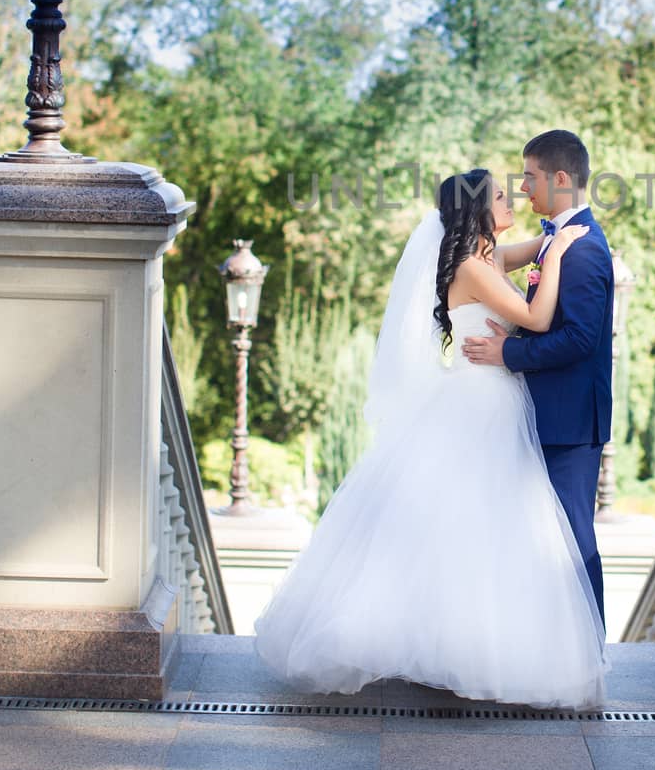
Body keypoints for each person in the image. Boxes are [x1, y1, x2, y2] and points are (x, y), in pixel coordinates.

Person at [254, 167, 607, 709]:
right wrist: (557, 256)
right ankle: (453, 649)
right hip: (482, 403)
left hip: (489, 398)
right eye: (498, 195)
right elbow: (537, 318)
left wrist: (562, 231)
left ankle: (458, 644)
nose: (511, 198)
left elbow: (534, 244)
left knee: (476, 529)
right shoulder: (473, 266)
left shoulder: (487, 256)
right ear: (477, 210)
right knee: (474, 529)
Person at [462, 130, 613, 624]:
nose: (523, 187)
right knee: (541, 540)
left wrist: (510, 351)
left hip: (568, 422)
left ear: (561, 178)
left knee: (572, 540)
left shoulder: (584, 251)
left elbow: (579, 340)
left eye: (529, 177)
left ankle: (589, 651)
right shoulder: (554, 240)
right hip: (543, 415)